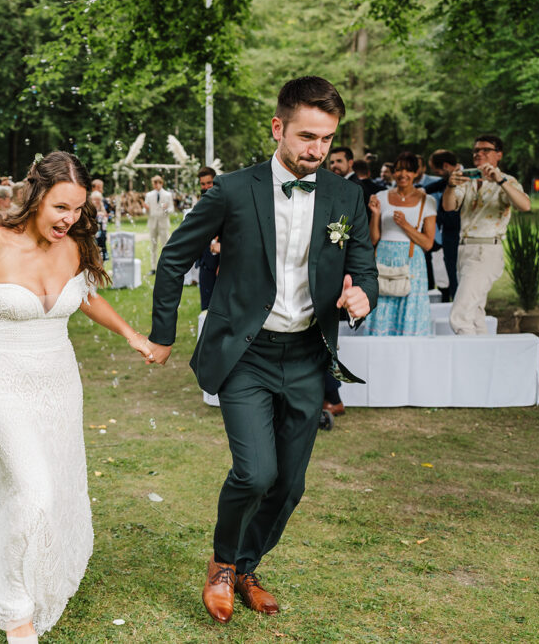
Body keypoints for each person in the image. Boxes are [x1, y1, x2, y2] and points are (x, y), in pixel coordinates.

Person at [145, 76, 377, 622]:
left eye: (325, 139)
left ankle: (248, 565)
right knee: (254, 473)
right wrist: (161, 335)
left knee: (290, 483)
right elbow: (175, 257)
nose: (316, 149)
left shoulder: (346, 195)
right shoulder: (231, 189)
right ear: (278, 128)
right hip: (245, 353)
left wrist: (361, 292)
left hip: (306, 357)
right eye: (306, 136)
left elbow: (360, 264)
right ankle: (223, 564)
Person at [0, 151, 154, 643]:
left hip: (60, 382)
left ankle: (36, 555)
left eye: (77, 210)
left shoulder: (72, 246)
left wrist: (132, 336)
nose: (69, 220)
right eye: (61, 208)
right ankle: (16, 612)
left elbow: (86, 296)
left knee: (56, 481)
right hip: (1, 384)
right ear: (36, 196)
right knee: (34, 491)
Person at [443, 134, 531, 334]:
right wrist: (450, 185)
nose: (478, 154)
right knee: (475, 313)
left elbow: (525, 205)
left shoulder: (507, 181)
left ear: (498, 155)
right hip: (464, 248)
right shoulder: (466, 180)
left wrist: (500, 181)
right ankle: (483, 358)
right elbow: (449, 207)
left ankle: (467, 359)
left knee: (460, 314)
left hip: (486, 249)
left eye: (485, 150)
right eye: (475, 150)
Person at [364, 152, 437, 336]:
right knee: (382, 307)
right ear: (393, 173)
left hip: (411, 260)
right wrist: (375, 214)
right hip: (383, 257)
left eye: (408, 170)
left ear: (415, 173)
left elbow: (428, 244)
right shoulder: (381, 196)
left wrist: (405, 225)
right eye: (398, 170)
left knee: (409, 308)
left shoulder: (426, 201)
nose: (403, 174)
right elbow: (373, 239)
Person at [427, 149, 462, 302]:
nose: (438, 174)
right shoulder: (450, 179)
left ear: (446, 166)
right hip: (449, 237)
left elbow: (452, 215)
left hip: (457, 237)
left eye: (438, 171)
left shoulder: (463, 178)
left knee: (456, 279)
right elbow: (439, 185)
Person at [196, 166, 220, 311]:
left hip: (221, 263)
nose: (206, 187)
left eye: (209, 183)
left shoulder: (225, 201)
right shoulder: (200, 203)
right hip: (205, 262)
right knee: (206, 308)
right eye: (203, 184)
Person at [145, 175, 174, 274]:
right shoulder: (149, 195)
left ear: (161, 183)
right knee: (153, 246)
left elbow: (171, 209)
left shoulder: (167, 195)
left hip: (163, 223)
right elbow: (145, 210)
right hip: (152, 223)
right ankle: (153, 268)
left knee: (165, 246)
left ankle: (165, 267)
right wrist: (146, 209)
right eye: (154, 183)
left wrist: (166, 209)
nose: (156, 185)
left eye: (157, 183)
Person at [90, 189, 108, 261]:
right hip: (94, 231)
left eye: (98, 200)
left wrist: (104, 216)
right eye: (95, 200)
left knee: (102, 246)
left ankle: (102, 262)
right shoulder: (90, 207)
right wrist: (98, 214)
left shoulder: (101, 206)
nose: (97, 201)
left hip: (101, 230)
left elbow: (106, 215)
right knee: (94, 247)